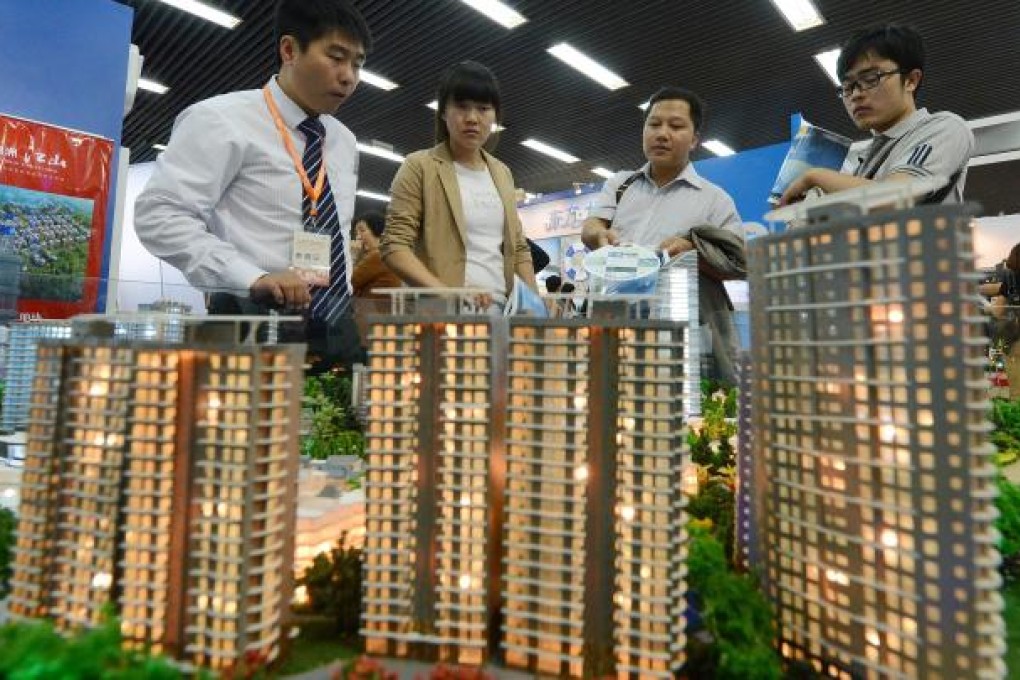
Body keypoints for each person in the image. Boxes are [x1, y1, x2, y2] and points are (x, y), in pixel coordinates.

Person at [134, 0, 371, 368]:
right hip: (251, 321)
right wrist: (251, 277)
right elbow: (159, 215)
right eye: (336, 57)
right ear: (289, 50)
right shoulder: (220, 120)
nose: (349, 76)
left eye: (357, 63)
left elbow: (335, 230)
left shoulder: (343, 141)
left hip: (334, 326)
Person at [580, 86, 745, 384]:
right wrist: (600, 237)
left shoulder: (714, 200)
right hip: (615, 330)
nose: (662, 133)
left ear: (694, 139)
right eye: (654, 124)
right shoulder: (620, 184)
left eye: (676, 126)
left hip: (680, 340)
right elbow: (592, 227)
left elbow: (739, 264)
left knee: (680, 419)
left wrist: (692, 253)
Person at [380, 61, 537, 311]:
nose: (472, 118)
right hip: (438, 313)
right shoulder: (419, 166)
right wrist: (448, 293)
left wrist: (535, 307)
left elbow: (518, 249)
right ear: (443, 112)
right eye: (462, 107)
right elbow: (394, 246)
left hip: (500, 311)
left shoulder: (502, 173)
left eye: (483, 108)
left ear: (494, 115)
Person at [779, 24, 974, 206]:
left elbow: (894, 199)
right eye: (847, 87)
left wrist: (814, 177)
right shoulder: (863, 163)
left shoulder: (944, 128)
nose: (856, 94)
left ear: (911, 80)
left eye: (871, 78)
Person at [985, 242, 1020, 399]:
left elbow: (998, 311)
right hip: (1014, 341)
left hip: (1014, 342)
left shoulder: (1009, 276)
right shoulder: (1009, 276)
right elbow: (999, 310)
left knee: (1016, 391)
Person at [351, 211, 400, 298]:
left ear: (377, 230)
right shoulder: (384, 253)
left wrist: (353, 255)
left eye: (362, 230)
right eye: (356, 232)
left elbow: (349, 282)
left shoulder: (378, 256)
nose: (358, 237)